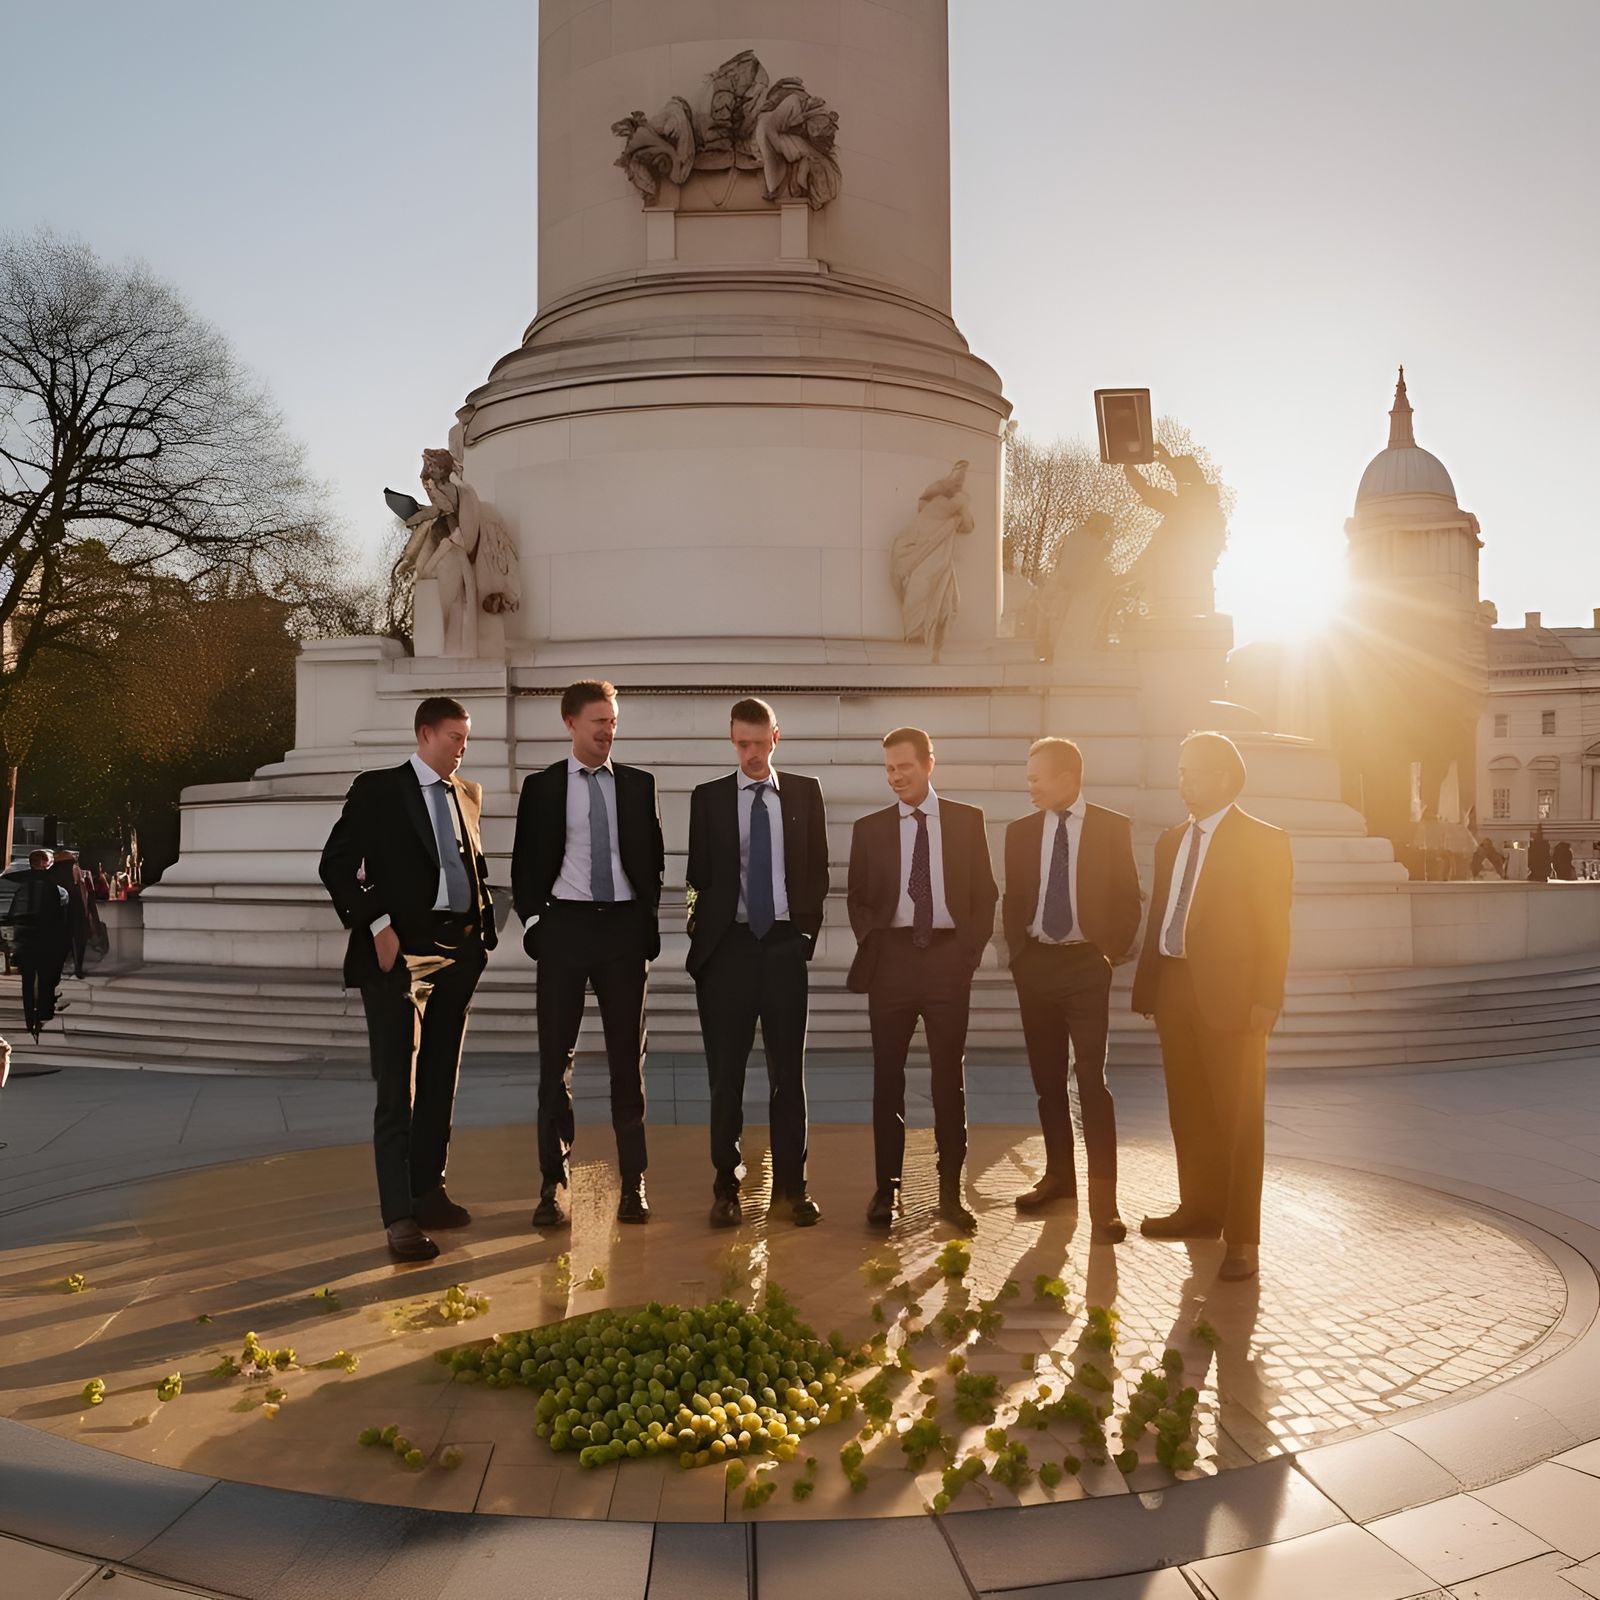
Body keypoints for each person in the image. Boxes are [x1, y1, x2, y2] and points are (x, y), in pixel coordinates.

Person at [319, 697, 497, 1262]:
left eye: (465, 737)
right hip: (399, 957)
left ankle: (429, 1191)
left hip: (459, 954)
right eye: (452, 736)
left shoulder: (468, 793)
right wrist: (377, 925)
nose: (461, 746)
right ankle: (398, 1216)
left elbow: (470, 863)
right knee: (398, 1087)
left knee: (441, 1077)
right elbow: (335, 866)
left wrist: (484, 930)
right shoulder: (379, 789)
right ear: (424, 734)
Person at [1131, 732, 1293, 1283]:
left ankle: (1242, 1239)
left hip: (1235, 1002)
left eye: (1189, 771)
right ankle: (1198, 1211)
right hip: (1176, 990)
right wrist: (1148, 987)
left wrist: (1267, 997)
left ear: (1223, 777)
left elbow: (1275, 927)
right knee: (1190, 1110)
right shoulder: (1171, 840)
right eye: (1179, 770)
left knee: (1240, 1120)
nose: (1181, 780)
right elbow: (1161, 916)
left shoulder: (1264, 840)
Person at [513, 681, 664, 1229]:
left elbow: (653, 858)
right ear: (570, 723)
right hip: (565, 930)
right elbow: (524, 866)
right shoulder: (543, 787)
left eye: (613, 720)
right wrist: (537, 927)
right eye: (598, 720)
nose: (608, 730)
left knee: (629, 1063)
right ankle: (554, 1184)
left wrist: (647, 924)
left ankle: (635, 1182)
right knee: (556, 1063)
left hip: (623, 933)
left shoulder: (640, 785)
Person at [686, 698, 829, 1229]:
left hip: (785, 949)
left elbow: (817, 868)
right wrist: (699, 933)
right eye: (741, 743)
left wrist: (805, 936)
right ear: (732, 740)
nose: (750, 753)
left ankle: (794, 1187)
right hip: (728, 952)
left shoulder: (803, 792)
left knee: (787, 1075)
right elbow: (695, 879)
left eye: (759, 742)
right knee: (726, 1077)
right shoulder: (709, 798)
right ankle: (726, 1184)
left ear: (776, 737)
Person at [847, 726, 997, 1231]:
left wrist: (968, 955)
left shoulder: (966, 821)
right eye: (888, 769)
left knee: (947, 1080)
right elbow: (858, 899)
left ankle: (950, 1192)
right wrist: (876, 943)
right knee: (886, 1079)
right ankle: (885, 1190)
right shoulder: (869, 829)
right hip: (890, 963)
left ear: (929, 763)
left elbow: (985, 895)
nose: (895, 777)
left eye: (904, 767)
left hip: (947, 962)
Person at [1001, 737, 1142, 1243]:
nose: (1030, 785)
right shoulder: (1019, 832)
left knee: (1091, 1081)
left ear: (1067, 778)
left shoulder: (1111, 827)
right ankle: (1060, 1180)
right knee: (1046, 1080)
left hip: (1086, 967)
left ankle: (1105, 1203)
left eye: (1037, 777)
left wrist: (1109, 954)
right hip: (1035, 965)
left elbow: (1129, 896)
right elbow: (1014, 897)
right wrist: (1018, 955)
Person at [3, 849, 71, 1040]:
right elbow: (62, 915)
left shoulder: (17, 884)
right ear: (44, 863)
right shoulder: (58, 887)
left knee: (27, 978)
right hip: (47, 938)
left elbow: (11, 912)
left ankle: (29, 1017)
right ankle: (43, 1014)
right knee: (46, 978)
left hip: (24, 937)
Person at [51, 850, 91, 979]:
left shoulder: (53, 875)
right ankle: (77, 967)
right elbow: (83, 894)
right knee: (78, 939)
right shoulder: (74, 872)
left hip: (59, 912)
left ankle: (60, 966)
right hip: (76, 909)